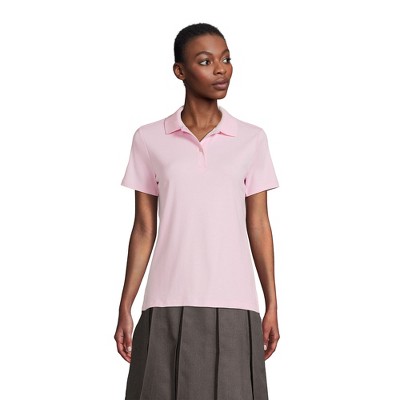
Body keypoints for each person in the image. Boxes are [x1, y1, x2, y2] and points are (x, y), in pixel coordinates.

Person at [114, 22, 280, 400]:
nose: (221, 69)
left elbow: (259, 224)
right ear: (180, 71)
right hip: (166, 298)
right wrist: (126, 304)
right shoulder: (149, 138)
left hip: (235, 301)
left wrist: (271, 303)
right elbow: (144, 229)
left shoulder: (251, 139)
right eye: (205, 61)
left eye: (226, 59)